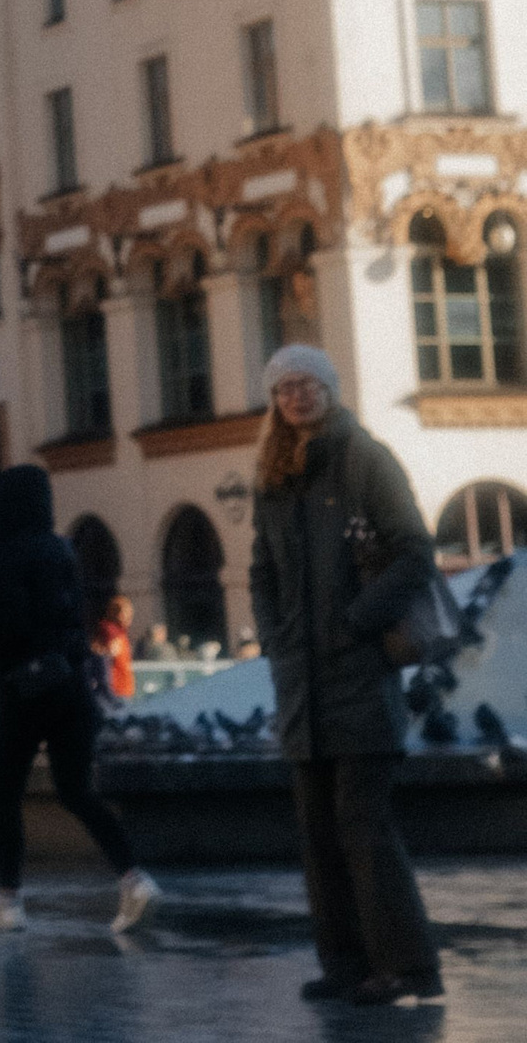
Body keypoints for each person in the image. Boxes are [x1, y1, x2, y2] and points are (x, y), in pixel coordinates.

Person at [249, 341, 442, 1009]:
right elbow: (261, 572)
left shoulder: (365, 459)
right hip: (301, 682)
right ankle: (345, 963)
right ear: (275, 402)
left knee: (362, 824)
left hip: (358, 672)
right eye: (285, 388)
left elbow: (415, 550)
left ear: (330, 389)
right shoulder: (273, 474)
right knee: (317, 829)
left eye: (309, 384)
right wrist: (276, 639)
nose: (298, 396)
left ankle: (410, 967)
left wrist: (358, 621)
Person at [0, 464, 153, 933]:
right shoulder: (63, 551)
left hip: (23, 691)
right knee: (77, 790)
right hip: (71, 686)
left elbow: (6, 628)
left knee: (7, 796)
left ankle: (9, 901)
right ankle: (133, 879)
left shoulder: (7, 558)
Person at [94, 594, 136, 705]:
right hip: (117, 692)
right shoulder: (112, 633)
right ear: (119, 614)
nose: (130, 619)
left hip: (122, 690)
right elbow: (107, 658)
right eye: (127, 614)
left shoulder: (119, 634)